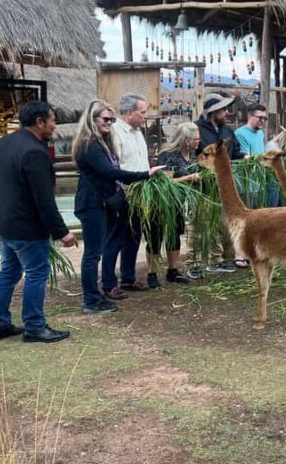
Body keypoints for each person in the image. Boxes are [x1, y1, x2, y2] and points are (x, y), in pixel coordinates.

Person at [0, 100, 77, 344]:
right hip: (28, 227)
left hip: (7, 221)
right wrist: (62, 232)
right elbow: (44, 200)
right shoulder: (35, 152)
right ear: (40, 122)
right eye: (52, 120)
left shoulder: (5, 143)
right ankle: (35, 326)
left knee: (8, 272)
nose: (54, 125)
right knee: (37, 273)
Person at [73, 100, 163, 313]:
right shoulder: (90, 145)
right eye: (105, 119)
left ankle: (115, 284)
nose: (109, 123)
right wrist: (144, 176)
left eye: (111, 120)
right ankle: (93, 298)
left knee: (124, 238)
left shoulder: (102, 141)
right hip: (95, 202)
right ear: (92, 119)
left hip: (109, 199)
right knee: (94, 253)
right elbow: (111, 172)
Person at [106, 93, 152, 292]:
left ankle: (128, 276)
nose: (145, 116)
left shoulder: (138, 132)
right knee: (116, 237)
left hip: (141, 192)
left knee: (134, 235)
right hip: (122, 191)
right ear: (128, 113)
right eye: (142, 113)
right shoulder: (115, 133)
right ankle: (108, 281)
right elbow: (115, 166)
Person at [148, 121, 203, 286]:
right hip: (161, 203)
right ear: (186, 140)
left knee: (174, 236)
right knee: (156, 237)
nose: (198, 142)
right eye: (195, 139)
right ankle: (152, 274)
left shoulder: (192, 154)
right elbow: (166, 182)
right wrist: (188, 178)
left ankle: (173, 271)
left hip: (178, 203)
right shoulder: (168, 155)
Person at [195, 92, 243, 272]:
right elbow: (195, 157)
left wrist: (246, 158)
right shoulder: (197, 130)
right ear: (213, 111)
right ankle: (211, 259)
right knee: (209, 222)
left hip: (226, 185)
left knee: (227, 221)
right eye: (223, 110)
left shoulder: (227, 131)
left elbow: (236, 152)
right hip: (206, 186)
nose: (227, 113)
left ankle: (228, 257)